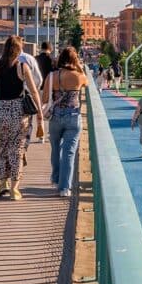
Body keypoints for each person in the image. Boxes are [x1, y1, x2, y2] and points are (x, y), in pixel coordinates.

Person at [0, 36, 43, 200]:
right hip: (18, 112)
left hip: (1, 111)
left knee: (3, 148)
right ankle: (14, 188)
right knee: (17, 150)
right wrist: (40, 115)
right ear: (18, 50)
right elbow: (34, 91)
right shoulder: (22, 67)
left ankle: (2, 183)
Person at [44, 47, 87, 197]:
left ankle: (55, 179)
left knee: (55, 149)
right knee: (69, 152)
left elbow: (44, 99)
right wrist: (79, 65)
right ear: (75, 60)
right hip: (73, 116)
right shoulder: (78, 76)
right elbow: (86, 81)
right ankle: (64, 188)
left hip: (55, 116)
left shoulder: (51, 76)